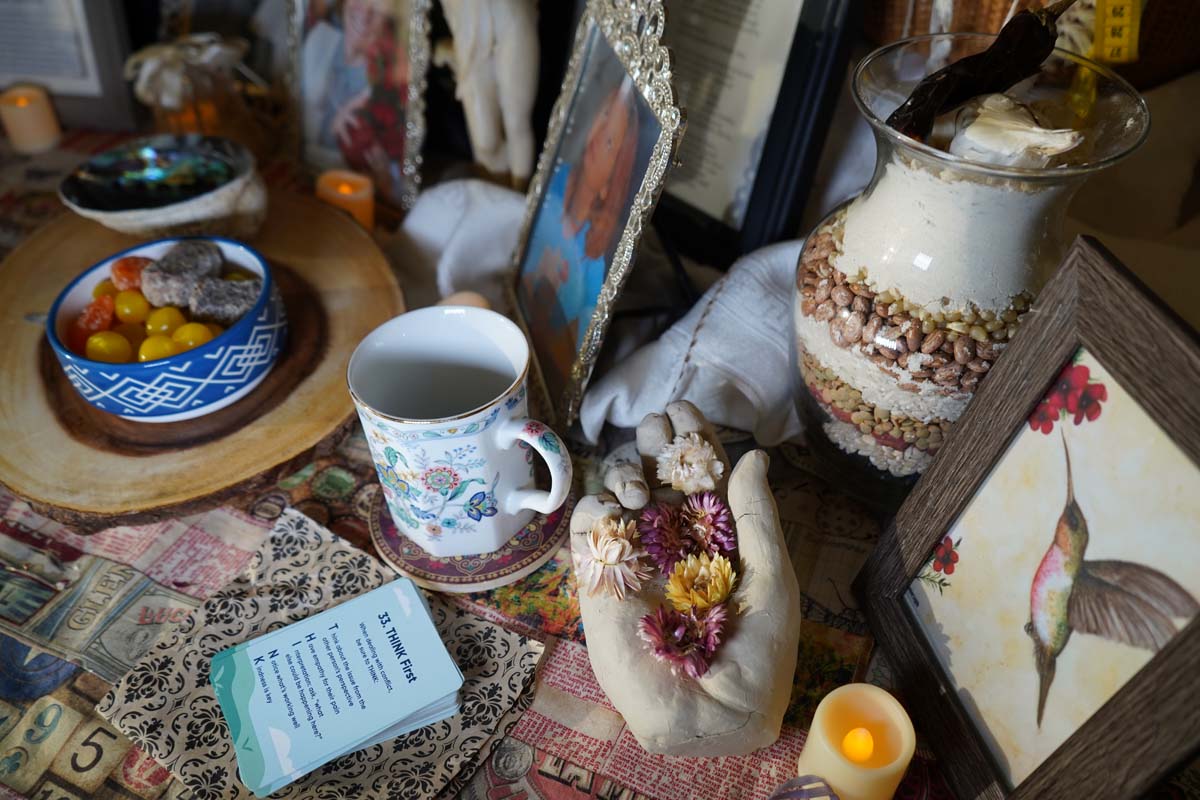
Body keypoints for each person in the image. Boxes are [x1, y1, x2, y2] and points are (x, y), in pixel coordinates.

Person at [520, 75, 640, 395]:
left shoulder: (596, 255)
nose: (599, 137)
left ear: (613, 177)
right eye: (602, 118)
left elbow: (570, 354)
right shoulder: (555, 183)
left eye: (611, 143)